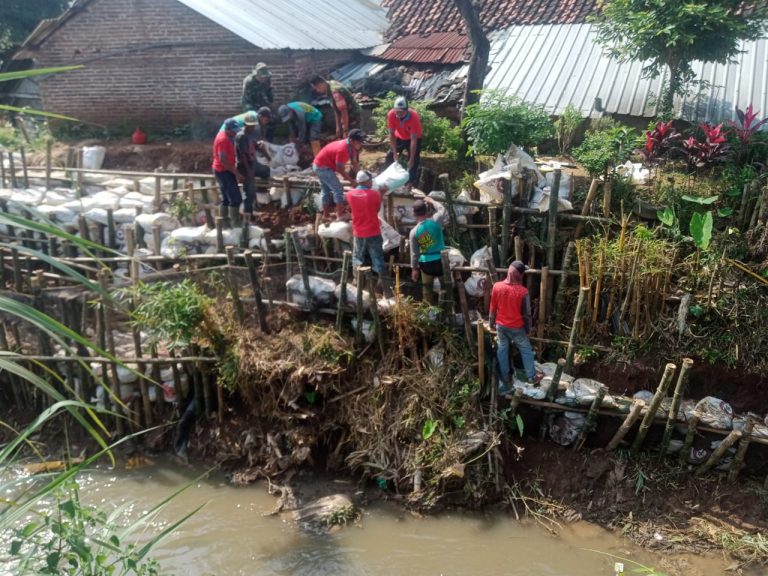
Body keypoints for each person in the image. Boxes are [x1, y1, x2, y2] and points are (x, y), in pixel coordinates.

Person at [489, 261, 544, 396]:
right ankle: (532, 377)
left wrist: (491, 323)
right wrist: (528, 329)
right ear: (519, 275)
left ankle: (506, 378)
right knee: (526, 350)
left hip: (501, 326)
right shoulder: (523, 291)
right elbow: (527, 314)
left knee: (502, 349)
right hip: (517, 327)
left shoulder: (497, 286)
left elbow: (492, 308)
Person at [346, 170, 388, 285]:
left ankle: (357, 281)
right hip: (373, 231)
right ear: (367, 181)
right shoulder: (375, 194)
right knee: (378, 258)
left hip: (359, 232)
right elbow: (376, 210)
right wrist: (382, 194)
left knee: (358, 257)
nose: (372, 182)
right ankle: (382, 285)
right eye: (371, 180)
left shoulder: (350, 194)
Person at [312, 128, 366, 219]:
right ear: (352, 141)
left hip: (321, 165)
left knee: (326, 190)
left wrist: (360, 177)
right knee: (338, 189)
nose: (361, 144)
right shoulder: (343, 149)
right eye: (359, 142)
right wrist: (351, 181)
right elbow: (340, 169)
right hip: (322, 167)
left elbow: (355, 163)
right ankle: (339, 215)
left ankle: (325, 215)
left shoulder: (351, 148)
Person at [235, 111, 271, 224]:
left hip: (253, 163)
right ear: (245, 125)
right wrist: (249, 172)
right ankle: (248, 217)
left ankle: (261, 190)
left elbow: (254, 144)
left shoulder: (251, 134)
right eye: (251, 126)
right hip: (245, 167)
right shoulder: (241, 137)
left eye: (254, 125)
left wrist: (260, 147)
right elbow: (243, 156)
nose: (253, 127)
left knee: (266, 170)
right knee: (249, 193)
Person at [409, 197, 446, 304]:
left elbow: (414, 254)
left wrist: (414, 269)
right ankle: (447, 311)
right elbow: (442, 209)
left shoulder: (414, 232)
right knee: (445, 287)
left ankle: (430, 314)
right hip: (441, 260)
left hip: (426, 263)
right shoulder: (436, 221)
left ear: (414, 214)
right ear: (426, 210)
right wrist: (432, 201)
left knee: (427, 290)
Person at [386, 96, 422, 187]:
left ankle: (410, 182)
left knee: (414, 160)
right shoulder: (391, 114)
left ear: (406, 110)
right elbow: (391, 134)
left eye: (401, 112)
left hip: (413, 138)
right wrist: (394, 152)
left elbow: (413, 140)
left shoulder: (414, 117)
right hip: (399, 136)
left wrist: (411, 158)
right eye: (397, 111)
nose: (398, 114)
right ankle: (389, 178)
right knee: (390, 156)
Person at [212, 118, 241, 228]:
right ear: (227, 129)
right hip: (224, 171)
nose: (235, 133)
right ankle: (236, 224)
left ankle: (224, 223)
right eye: (233, 130)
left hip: (222, 170)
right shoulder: (223, 140)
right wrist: (237, 173)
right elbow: (223, 160)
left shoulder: (228, 136)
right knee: (235, 198)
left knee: (225, 198)